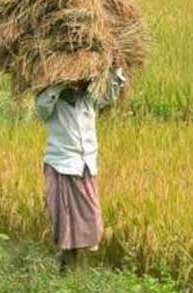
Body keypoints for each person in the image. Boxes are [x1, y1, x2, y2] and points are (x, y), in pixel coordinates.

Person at [36, 68, 127, 271]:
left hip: (86, 166)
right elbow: (42, 108)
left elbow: (108, 97)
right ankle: (66, 267)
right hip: (62, 166)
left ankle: (70, 264)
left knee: (93, 221)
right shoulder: (52, 102)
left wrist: (117, 73)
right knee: (65, 226)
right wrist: (61, 82)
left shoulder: (88, 101)